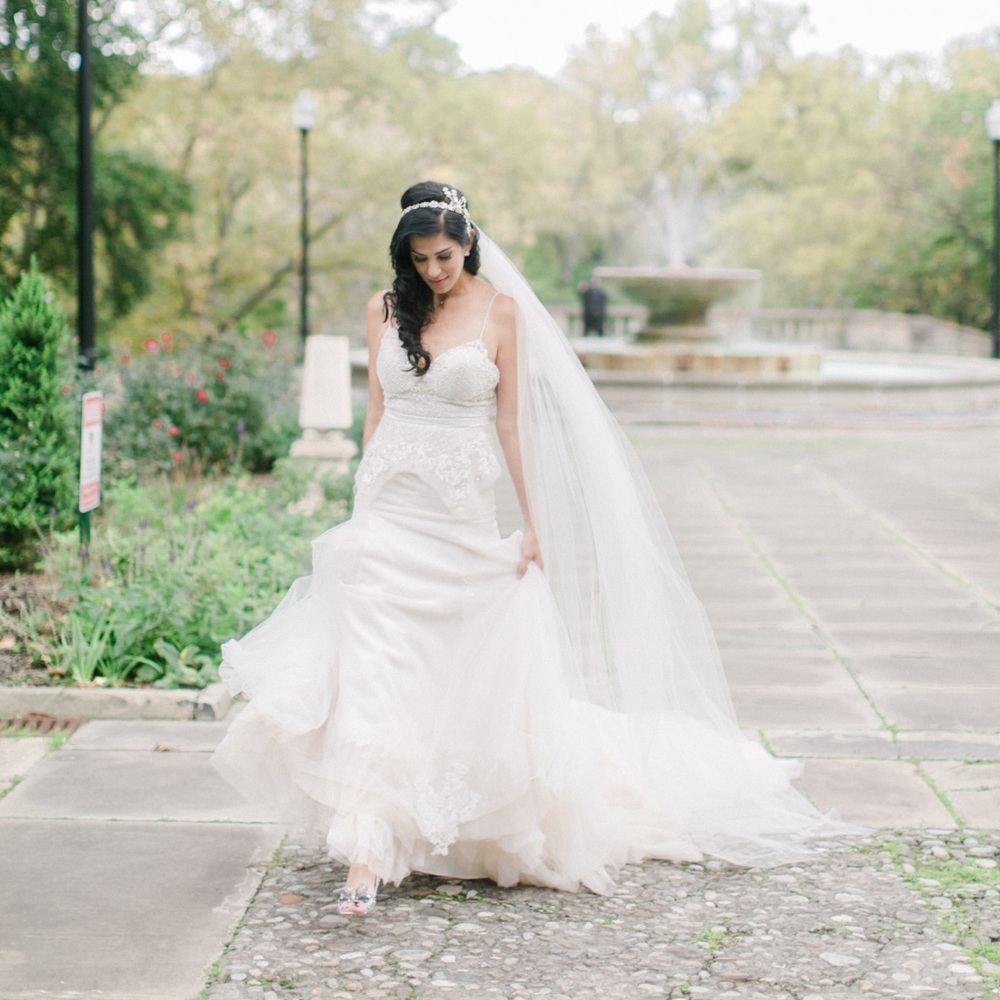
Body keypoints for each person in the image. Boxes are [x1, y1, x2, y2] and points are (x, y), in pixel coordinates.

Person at [212, 181, 848, 919]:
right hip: (388, 512)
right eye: (418, 259)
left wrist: (534, 523)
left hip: (458, 518)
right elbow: (376, 414)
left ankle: (443, 807)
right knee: (375, 671)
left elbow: (513, 427)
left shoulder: (503, 314)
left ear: (469, 243)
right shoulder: (385, 311)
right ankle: (367, 847)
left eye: (444, 256)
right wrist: (360, 507)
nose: (433, 272)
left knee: (448, 665)